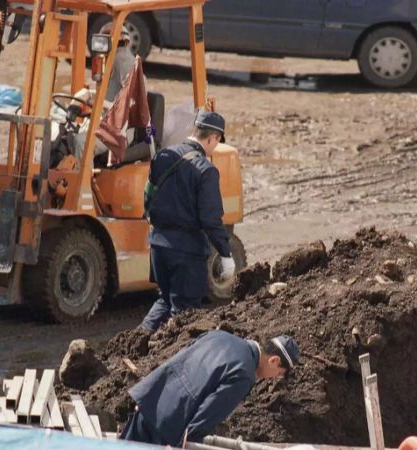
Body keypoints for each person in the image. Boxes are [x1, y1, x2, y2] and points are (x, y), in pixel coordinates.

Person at [139, 111, 235, 332]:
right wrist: (225, 253)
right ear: (213, 138)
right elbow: (211, 219)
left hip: (158, 245)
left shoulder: (162, 157)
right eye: (216, 143)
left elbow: (147, 196)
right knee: (185, 314)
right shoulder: (206, 170)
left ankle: (136, 344)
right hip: (186, 252)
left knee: (164, 301)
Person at [120, 331, 299, 446]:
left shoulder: (220, 336)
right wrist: (186, 442)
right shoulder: (243, 374)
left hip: (150, 402)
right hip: (168, 428)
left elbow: (178, 359)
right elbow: (207, 414)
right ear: (274, 360)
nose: (274, 378)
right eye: (278, 373)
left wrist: (146, 397)